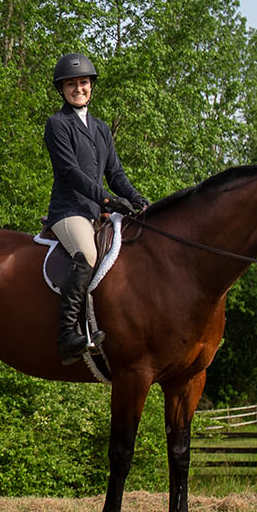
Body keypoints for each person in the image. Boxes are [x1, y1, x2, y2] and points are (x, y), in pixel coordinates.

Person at [42, 52, 148, 362]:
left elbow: (115, 173)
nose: (78, 88)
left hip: (97, 213)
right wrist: (106, 199)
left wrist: (136, 197)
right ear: (62, 89)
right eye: (71, 84)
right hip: (68, 210)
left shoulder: (101, 129)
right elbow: (70, 172)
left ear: (92, 86)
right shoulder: (57, 124)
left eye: (84, 83)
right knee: (86, 254)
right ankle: (68, 335)